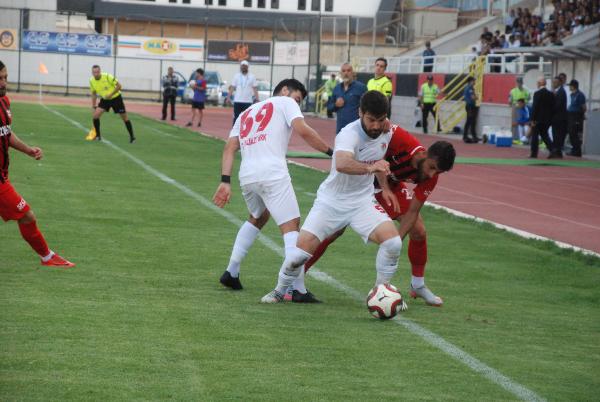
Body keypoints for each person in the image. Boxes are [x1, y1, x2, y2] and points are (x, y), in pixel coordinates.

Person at [260, 91, 403, 304]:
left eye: (380, 120)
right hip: (331, 202)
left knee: (393, 243)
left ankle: (382, 294)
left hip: (362, 201)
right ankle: (280, 291)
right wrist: (372, 168)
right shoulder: (349, 134)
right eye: (371, 120)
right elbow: (343, 164)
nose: (375, 125)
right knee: (298, 255)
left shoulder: (387, 129)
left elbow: (380, 162)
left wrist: (385, 187)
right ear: (360, 113)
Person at [290, 132, 456, 307]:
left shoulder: (432, 176)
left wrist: (394, 244)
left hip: (391, 188)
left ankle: (417, 285)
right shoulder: (402, 140)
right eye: (431, 167)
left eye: (438, 172)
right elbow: (377, 137)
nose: (432, 174)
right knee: (334, 231)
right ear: (424, 154)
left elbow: (413, 211)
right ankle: (295, 281)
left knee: (419, 231)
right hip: (361, 182)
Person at [213, 78, 333, 302]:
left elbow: (230, 147)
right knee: (291, 226)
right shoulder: (285, 103)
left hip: (247, 176)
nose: (297, 103)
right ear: (285, 90)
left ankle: (232, 271)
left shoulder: (246, 112)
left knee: (257, 217)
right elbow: (303, 130)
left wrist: (225, 180)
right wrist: (331, 152)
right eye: (297, 97)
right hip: (272, 173)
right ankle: (296, 288)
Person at [0, 60, 75, 268]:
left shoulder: (5, 102)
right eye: (0, 78)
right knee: (26, 215)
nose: (4, 82)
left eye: (5, 77)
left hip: (3, 175)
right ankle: (47, 256)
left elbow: (6, 133)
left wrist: (27, 150)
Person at [89, 65, 135, 143]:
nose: (96, 74)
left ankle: (132, 137)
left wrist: (111, 94)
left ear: (100, 71)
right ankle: (98, 136)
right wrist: (93, 105)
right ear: (92, 73)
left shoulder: (107, 76)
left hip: (116, 99)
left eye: (97, 72)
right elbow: (94, 93)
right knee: (95, 116)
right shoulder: (91, 80)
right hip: (105, 100)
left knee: (125, 118)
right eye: (94, 72)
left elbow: (119, 86)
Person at [330, 63, 367, 134]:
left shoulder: (361, 88)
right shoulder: (336, 88)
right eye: (343, 71)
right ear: (340, 73)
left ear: (352, 73)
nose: (346, 73)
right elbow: (330, 107)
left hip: (356, 130)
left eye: (348, 70)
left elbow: (368, 107)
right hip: (340, 130)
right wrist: (336, 105)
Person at [530, 77, 557, 158]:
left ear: (539, 84)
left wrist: (533, 119)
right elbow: (553, 107)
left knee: (535, 136)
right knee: (544, 135)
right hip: (547, 119)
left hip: (538, 119)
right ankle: (552, 149)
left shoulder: (537, 93)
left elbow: (535, 107)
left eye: (537, 83)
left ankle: (534, 153)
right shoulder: (551, 94)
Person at [227, 60, 259, 126]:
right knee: (236, 117)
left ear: (247, 67)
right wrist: (228, 97)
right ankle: (235, 133)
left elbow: (255, 88)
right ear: (240, 67)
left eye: (245, 66)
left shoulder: (252, 76)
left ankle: (246, 133)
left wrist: (257, 98)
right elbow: (232, 87)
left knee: (247, 118)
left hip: (248, 101)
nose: (243, 67)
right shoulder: (236, 76)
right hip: (237, 100)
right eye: (242, 66)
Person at [566, 79, 586, 157]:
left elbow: (584, 107)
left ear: (573, 86)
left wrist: (581, 115)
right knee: (571, 133)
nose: (569, 88)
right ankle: (574, 149)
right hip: (570, 115)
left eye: (570, 86)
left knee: (574, 133)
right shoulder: (572, 95)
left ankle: (577, 151)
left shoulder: (580, 95)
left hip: (576, 116)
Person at [508, 77, 530, 142]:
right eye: (518, 82)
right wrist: (510, 103)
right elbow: (509, 100)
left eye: (520, 82)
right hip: (515, 107)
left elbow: (529, 98)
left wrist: (525, 103)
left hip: (524, 107)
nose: (519, 84)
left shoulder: (526, 91)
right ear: (516, 83)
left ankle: (524, 138)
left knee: (524, 123)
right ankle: (515, 138)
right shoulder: (512, 91)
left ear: (522, 83)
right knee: (515, 123)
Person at [551, 76, 568, 158]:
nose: (554, 84)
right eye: (553, 82)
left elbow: (558, 105)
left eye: (556, 82)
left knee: (558, 135)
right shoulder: (556, 91)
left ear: (560, 83)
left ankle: (557, 151)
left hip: (559, 118)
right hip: (556, 117)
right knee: (556, 135)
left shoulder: (561, 92)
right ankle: (557, 151)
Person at [462, 76, 479, 143]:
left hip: (470, 106)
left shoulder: (469, 88)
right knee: (470, 121)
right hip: (470, 106)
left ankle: (471, 136)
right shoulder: (469, 88)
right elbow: (473, 97)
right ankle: (467, 136)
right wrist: (476, 97)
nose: (474, 82)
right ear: (470, 81)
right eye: (473, 81)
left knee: (471, 121)